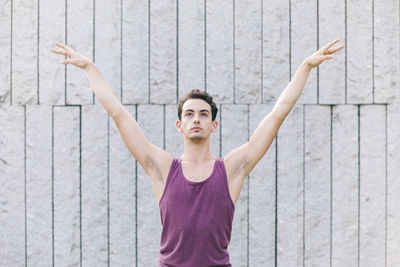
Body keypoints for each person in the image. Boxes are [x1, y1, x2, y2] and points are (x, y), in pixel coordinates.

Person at [51, 39, 343, 266]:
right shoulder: (162, 168)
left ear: (214, 124)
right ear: (179, 125)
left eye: (203, 115)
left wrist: (304, 67)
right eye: (189, 114)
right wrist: (91, 68)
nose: (196, 120)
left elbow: (277, 115)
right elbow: (118, 114)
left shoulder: (231, 169)